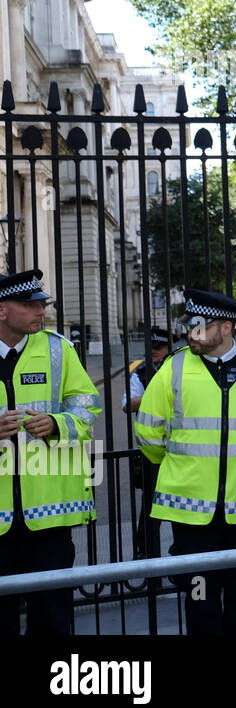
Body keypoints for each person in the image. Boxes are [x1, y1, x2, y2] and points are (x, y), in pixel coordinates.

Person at [135, 288, 236, 635]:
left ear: (226, 328)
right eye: (189, 325)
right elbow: (147, 434)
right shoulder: (174, 368)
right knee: (201, 602)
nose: (191, 333)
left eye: (199, 325)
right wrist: (186, 466)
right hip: (192, 514)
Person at [0, 269, 101, 635]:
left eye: (42, 304)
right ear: (2, 310)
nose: (41, 312)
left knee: (53, 620)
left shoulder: (58, 349)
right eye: (30, 305)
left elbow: (88, 406)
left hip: (49, 518)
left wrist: (57, 424)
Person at [123, 326, 172, 560]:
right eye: (151, 347)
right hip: (152, 448)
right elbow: (127, 404)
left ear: (169, 348)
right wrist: (158, 396)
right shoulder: (140, 372)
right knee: (152, 505)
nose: (154, 351)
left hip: (184, 447)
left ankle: (184, 552)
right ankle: (146, 555)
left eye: (159, 347)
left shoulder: (182, 368)